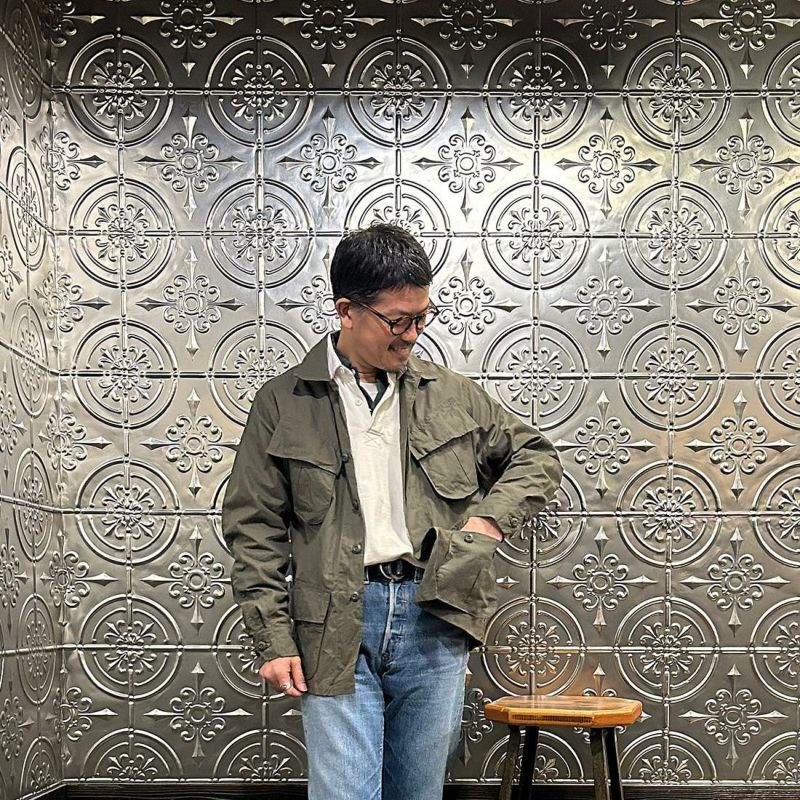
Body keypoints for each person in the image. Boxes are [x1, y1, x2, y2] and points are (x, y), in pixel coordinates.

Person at [222, 223, 563, 800]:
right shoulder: (283, 402)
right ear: (347, 312)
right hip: (332, 620)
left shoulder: (450, 393)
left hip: (434, 614)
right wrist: (273, 638)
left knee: (418, 791)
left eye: (422, 318)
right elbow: (254, 527)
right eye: (398, 321)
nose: (413, 335)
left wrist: (484, 525)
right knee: (345, 792)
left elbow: (536, 456)